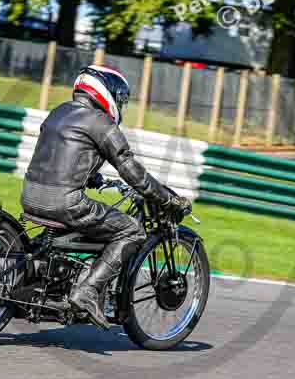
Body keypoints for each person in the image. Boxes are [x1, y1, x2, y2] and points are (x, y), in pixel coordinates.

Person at [20, 65, 191, 329]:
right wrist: (166, 199)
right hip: (66, 203)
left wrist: (92, 177)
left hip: (30, 196)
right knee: (132, 230)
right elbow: (131, 171)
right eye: (119, 97)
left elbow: (60, 158)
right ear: (104, 92)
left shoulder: (59, 112)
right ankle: (87, 291)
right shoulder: (100, 122)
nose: (120, 104)